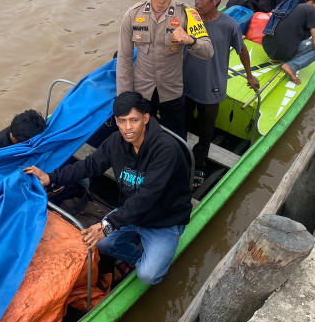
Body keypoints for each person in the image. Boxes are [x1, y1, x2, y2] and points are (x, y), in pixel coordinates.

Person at [24, 92, 192, 285]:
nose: (128, 128)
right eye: (122, 121)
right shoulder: (116, 142)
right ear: (116, 121)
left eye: (134, 120)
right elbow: (88, 166)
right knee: (101, 243)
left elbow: (147, 197)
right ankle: (138, 258)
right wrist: (52, 177)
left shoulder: (165, 150)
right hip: (130, 213)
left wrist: (107, 225)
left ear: (146, 118)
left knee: (148, 276)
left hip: (163, 220)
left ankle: (153, 261)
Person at [116, 0, 213, 139]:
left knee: (177, 141)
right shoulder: (132, 15)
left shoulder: (188, 14)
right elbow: (124, 59)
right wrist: (124, 99)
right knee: (140, 139)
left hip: (172, 92)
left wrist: (189, 40)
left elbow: (208, 51)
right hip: (141, 93)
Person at [182, 0, 259, 188]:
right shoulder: (189, 19)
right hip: (184, 85)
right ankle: (179, 160)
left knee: (206, 132)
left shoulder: (229, 25)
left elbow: (242, 50)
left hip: (211, 87)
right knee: (181, 125)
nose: (197, 2)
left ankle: (198, 165)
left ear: (216, 0)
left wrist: (250, 76)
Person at [262, 0, 315, 85]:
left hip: (268, 47)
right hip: (283, 51)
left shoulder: (295, 5)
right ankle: (292, 66)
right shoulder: (314, 12)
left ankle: (277, 58)